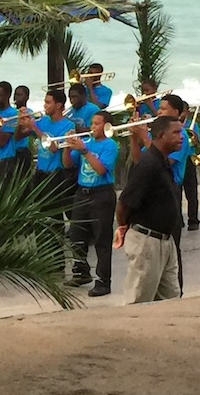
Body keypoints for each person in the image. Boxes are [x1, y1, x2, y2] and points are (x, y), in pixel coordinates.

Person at [114, 115, 184, 304]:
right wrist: (124, 227)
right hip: (147, 241)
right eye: (176, 132)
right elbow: (124, 203)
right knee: (139, 300)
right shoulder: (149, 164)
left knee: (171, 298)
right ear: (161, 136)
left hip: (165, 241)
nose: (182, 136)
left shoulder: (161, 161)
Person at [130, 94, 190, 295]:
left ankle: (176, 292)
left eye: (163, 109)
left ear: (175, 112)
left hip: (170, 189)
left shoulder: (182, 137)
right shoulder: (158, 140)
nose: (158, 112)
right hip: (153, 189)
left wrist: (145, 137)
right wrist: (134, 138)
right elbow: (141, 161)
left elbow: (163, 160)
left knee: (171, 250)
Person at [62, 111, 119, 297]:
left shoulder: (110, 145)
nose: (92, 127)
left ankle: (104, 281)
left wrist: (84, 151)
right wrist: (67, 147)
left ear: (107, 126)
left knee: (102, 238)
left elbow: (101, 170)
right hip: (82, 192)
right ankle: (81, 271)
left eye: (96, 123)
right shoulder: (86, 143)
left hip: (101, 194)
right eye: (92, 123)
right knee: (76, 235)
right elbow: (67, 165)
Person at [19, 90, 76, 227]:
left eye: (48, 102)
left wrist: (35, 128)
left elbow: (54, 148)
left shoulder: (68, 125)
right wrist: (23, 121)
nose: (44, 105)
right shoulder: (43, 120)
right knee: (40, 215)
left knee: (53, 216)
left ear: (58, 105)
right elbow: (22, 134)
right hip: (40, 172)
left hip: (55, 175)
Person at [181, 101, 200, 230]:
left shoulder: (193, 125)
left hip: (188, 159)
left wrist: (193, 137)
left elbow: (196, 140)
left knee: (191, 192)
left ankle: (193, 220)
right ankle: (178, 219)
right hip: (177, 159)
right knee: (176, 192)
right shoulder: (174, 125)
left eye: (183, 111)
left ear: (187, 112)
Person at [13, 85, 33, 175]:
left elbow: (28, 130)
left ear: (27, 97)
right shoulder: (11, 112)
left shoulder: (29, 112)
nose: (16, 97)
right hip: (11, 151)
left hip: (22, 150)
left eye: (19, 95)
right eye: (15, 94)